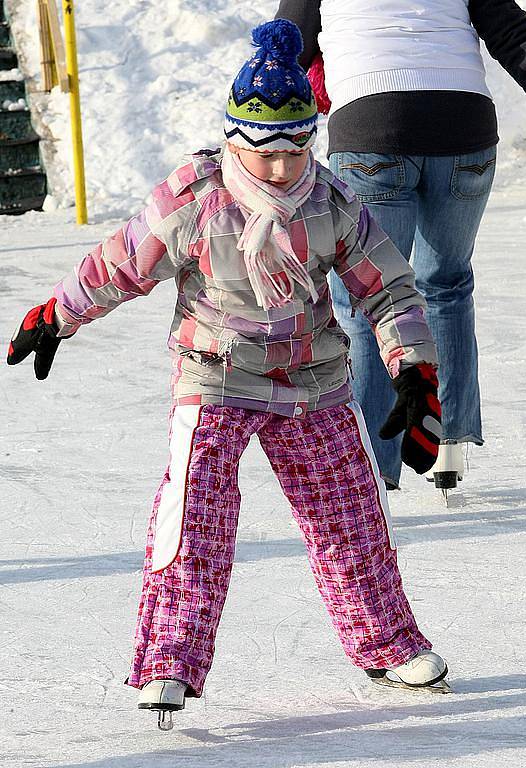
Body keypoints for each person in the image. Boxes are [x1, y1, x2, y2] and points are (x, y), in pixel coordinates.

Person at [7, 20, 451, 729]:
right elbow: (121, 262)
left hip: (311, 378)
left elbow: (388, 287)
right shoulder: (196, 194)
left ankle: (386, 643)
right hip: (214, 374)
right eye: (264, 150)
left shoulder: (331, 201)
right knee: (195, 519)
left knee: (353, 518)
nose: (281, 166)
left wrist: (412, 370)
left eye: (296, 147)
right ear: (235, 140)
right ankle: (168, 663)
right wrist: (55, 314)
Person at [276, 0, 526, 492]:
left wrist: (251, 150)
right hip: (464, 129)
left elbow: (285, 50)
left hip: (372, 128)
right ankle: (448, 444)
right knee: (445, 286)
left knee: (369, 299)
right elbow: (512, 33)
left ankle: (373, 469)